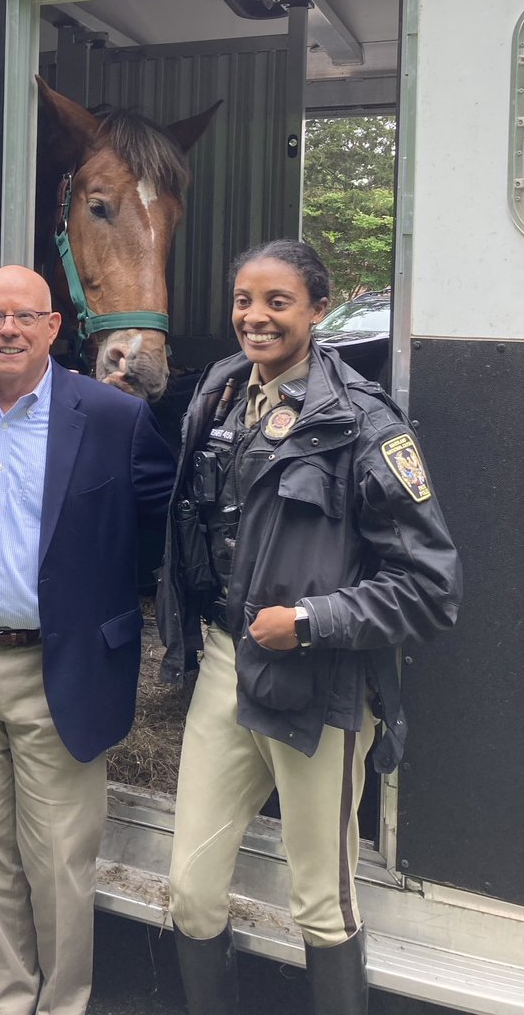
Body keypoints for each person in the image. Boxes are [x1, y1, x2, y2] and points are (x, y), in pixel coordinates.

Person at [156, 240, 461, 1015]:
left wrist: (309, 619)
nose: (253, 318)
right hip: (224, 666)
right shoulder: (220, 394)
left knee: (319, 904)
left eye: (277, 302)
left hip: (316, 684)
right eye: (242, 301)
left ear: (317, 310)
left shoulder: (362, 424)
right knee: (189, 892)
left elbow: (429, 587)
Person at [0, 265, 176, 1015]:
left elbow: (170, 522)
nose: (9, 329)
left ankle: (63, 1005)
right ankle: (11, 998)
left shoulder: (109, 417)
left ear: (55, 329)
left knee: (58, 861)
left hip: (62, 664)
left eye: (26, 316)